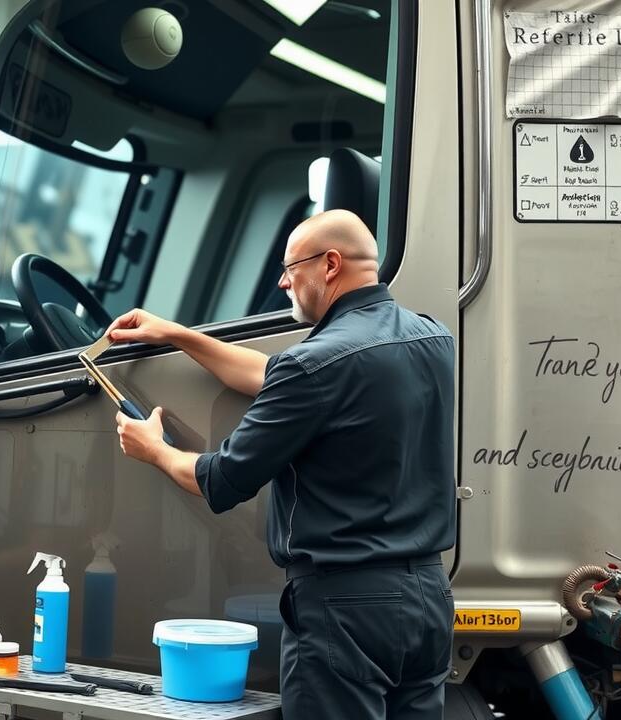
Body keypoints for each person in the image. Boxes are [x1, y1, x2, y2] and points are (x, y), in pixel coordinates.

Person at [108, 210, 456, 719]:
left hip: (345, 611)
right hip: (428, 599)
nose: (283, 282)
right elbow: (277, 376)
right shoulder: (432, 338)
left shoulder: (314, 366)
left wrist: (154, 449)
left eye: (291, 268)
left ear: (330, 265)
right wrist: (180, 336)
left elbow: (220, 480)